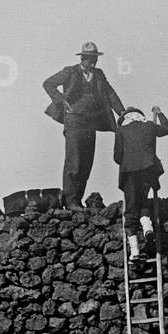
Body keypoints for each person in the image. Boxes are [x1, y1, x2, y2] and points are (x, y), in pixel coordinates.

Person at [43, 42, 125, 209]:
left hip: (91, 122)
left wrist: (122, 113)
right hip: (74, 121)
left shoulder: (99, 74)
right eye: (89, 59)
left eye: (94, 59)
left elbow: (110, 94)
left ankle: (77, 200)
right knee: (74, 161)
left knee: (87, 162)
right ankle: (70, 200)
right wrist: (61, 101)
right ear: (82, 58)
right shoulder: (70, 71)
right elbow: (48, 83)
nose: (92, 62)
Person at [113, 105, 168, 259]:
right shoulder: (149, 126)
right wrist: (159, 113)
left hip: (129, 172)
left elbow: (117, 157)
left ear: (125, 119)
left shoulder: (121, 131)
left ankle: (135, 251)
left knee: (131, 208)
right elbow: (167, 129)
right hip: (148, 170)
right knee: (143, 200)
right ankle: (147, 226)